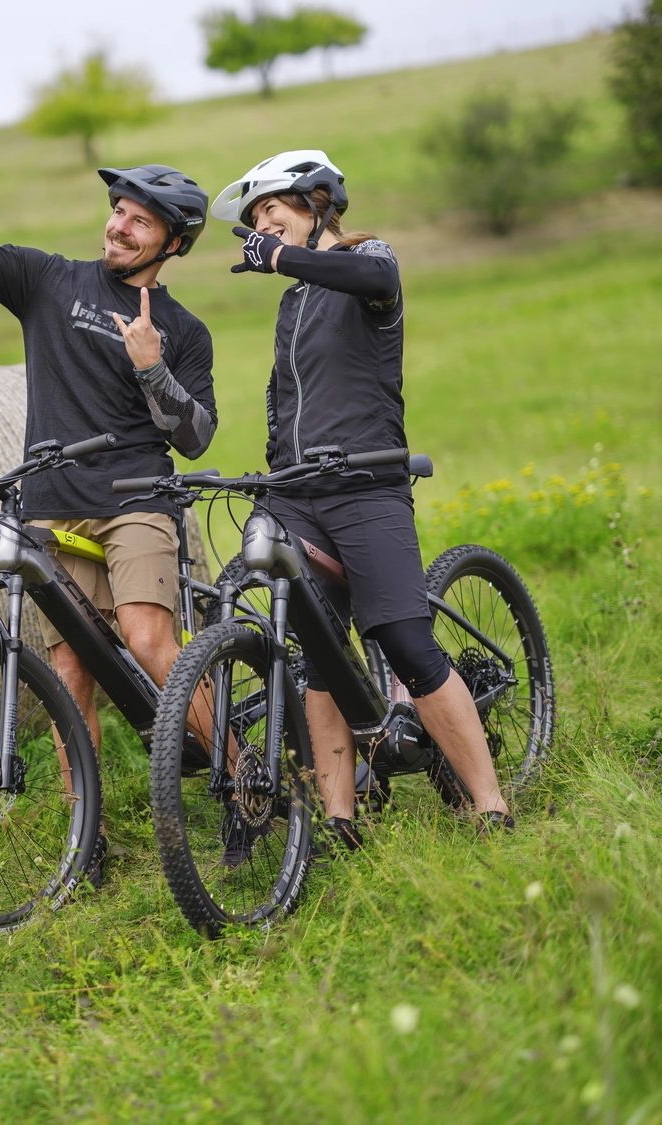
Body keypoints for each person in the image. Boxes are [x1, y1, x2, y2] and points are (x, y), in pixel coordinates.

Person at [0, 134, 216, 875]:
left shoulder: (185, 331)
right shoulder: (48, 281)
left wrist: (153, 368)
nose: (120, 225)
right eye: (118, 211)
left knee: (146, 637)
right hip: (54, 505)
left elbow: (195, 438)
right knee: (69, 674)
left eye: (140, 219)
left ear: (174, 241)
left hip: (136, 501)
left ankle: (236, 776)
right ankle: (86, 836)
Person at [211, 149, 512, 849]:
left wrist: (282, 257)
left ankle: (491, 804)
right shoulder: (293, 305)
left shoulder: (367, 260)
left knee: (405, 640)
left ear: (318, 200)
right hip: (302, 492)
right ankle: (340, 818)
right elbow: (282, 398)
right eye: (255, 219)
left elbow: (370, 275)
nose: (262, 227)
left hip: (367, 483)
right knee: (320, 654)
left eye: (271, 211)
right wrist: (272, 469)